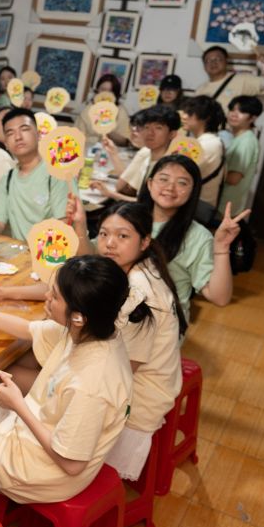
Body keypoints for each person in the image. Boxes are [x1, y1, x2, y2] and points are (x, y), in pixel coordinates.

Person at [0, 255, 134, 504]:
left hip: (38, 471)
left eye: (55, 296)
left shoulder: (92, 383)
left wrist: (18, 404)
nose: (46, 297)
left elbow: (71, 464)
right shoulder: (90, 331)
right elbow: (27, 329)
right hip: (30, 423)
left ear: (78, 316)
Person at [70, 201, 186, 480]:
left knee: (42, 375)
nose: (110, 243)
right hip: (143, 377)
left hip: (139, 399)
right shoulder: (139, 267)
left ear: (144, 241)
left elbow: (121, 370)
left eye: (122, 236)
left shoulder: (138, 295)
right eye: (104, 234)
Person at [137, 155, 248, 320]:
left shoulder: (198, 236)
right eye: (163, 179)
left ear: (193, 191)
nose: (170, 187)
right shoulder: (128, 220)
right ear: (150, 184)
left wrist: (222, 248)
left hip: (164, 325)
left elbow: (220, 298)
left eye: (182, 183)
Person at [0, 107, 76, 241]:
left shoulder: (57, 173)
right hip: (21, 251)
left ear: (38, 135)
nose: (18, 137)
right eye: (10, 133)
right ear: (6, 144)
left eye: (24, 129)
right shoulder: (8, 178)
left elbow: (65, 224)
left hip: (51, 250)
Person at [97, 105, 179, 202]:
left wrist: (110, 194)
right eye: (146, 127)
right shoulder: (147, 153)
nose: (150, 133)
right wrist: (113, 153)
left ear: (172, 134)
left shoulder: (170, 166)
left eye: (158, 128)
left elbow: (147, 204)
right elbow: (123, 186)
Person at [179, 96, 226, 217]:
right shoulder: (209, 141)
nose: (184, 116)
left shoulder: (207, 144)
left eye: (190, 113)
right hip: (198, 205)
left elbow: (179, 173)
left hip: (197, 208)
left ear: (206, 117)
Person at [193, 46, 264, 111]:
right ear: (204, 66)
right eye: (208, 61)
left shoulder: (242, 79)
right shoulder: (200, 90)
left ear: (226, 61)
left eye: (218, 59)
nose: (213, 63)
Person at [218, 95, 262, 217]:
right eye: (232, 110)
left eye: (242, 111)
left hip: (225, 207)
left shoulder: (246, 141)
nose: (234, 114)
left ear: (253, 118)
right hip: (223, 204)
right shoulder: (237, 137)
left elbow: (233, 178)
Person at [77, 74, 132, 148]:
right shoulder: (87, 111)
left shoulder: (121, 112)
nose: (106, 94)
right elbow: (76, 136)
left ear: (115, 94)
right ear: (97, 91)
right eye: (103, 89)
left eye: (110, 91)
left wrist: (108, 130)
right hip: (88, 149)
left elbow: (124, 142)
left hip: (112, 151)